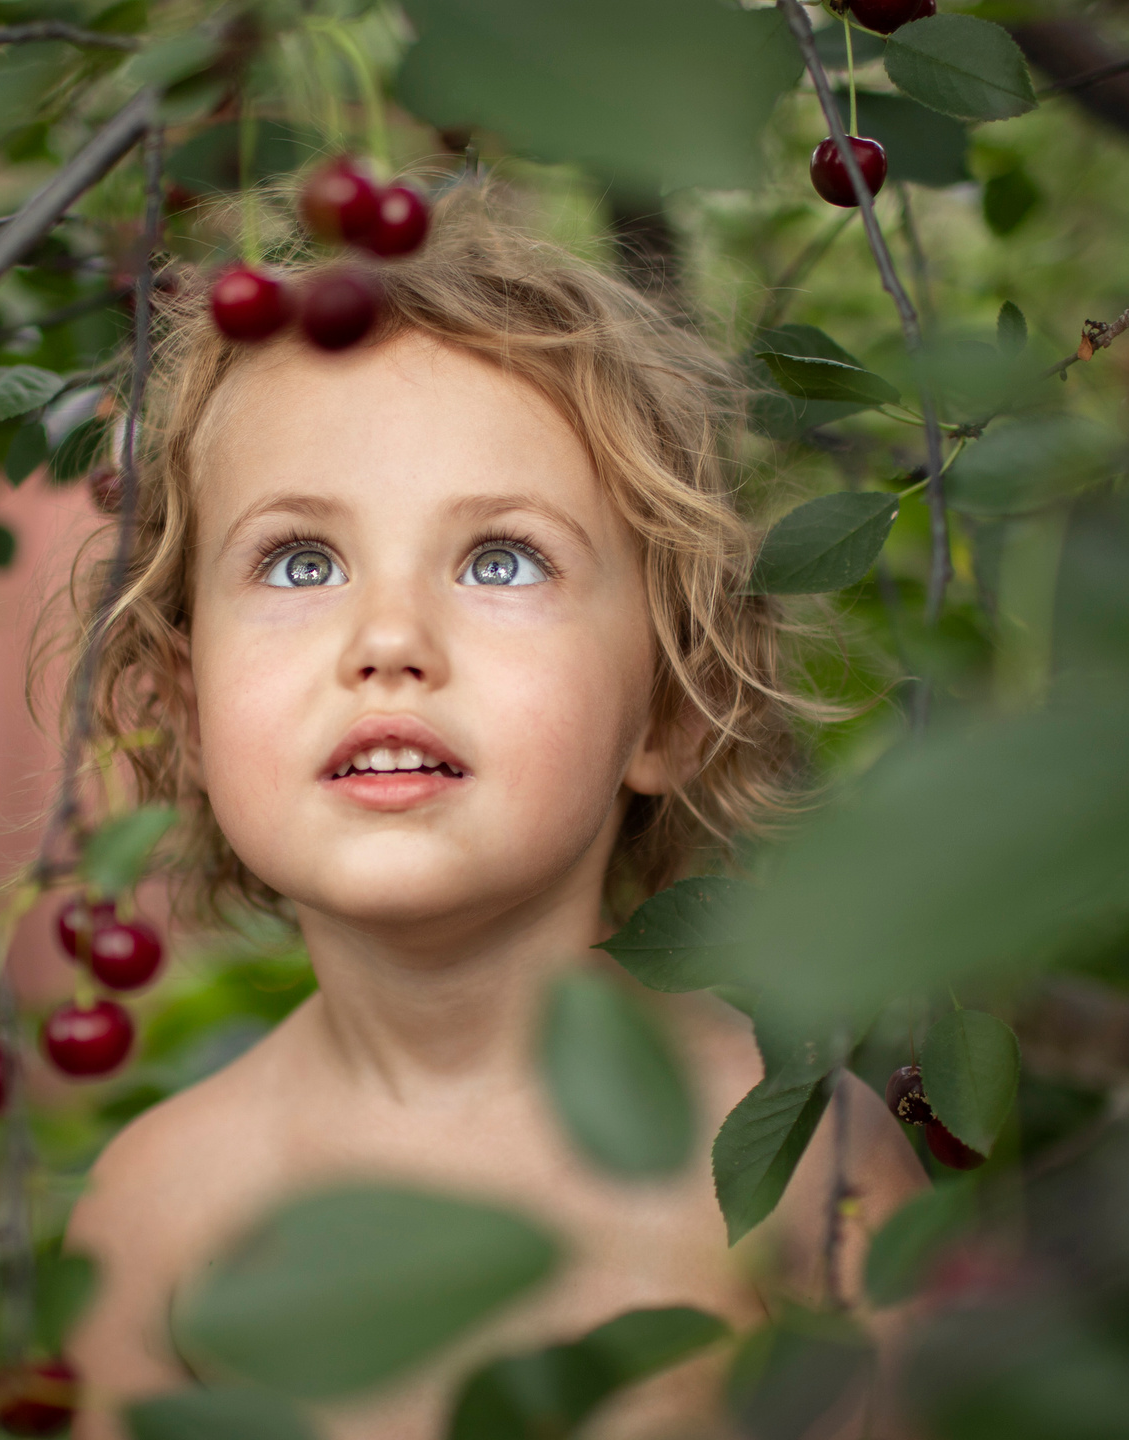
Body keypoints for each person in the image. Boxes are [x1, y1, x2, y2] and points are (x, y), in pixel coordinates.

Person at [62, 186, 927, 1439]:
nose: (391, 640)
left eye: (501, 559)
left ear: (670, 710)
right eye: (301, 561)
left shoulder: (793, 1163)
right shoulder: (156, 1210)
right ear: (185, 710)